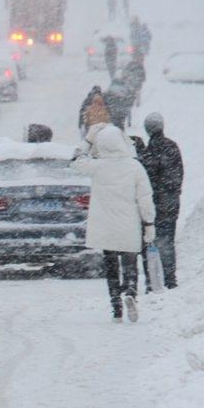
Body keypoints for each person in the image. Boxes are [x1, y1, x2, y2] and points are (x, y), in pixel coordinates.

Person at [72, 125, 156, 322]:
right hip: (129, 226)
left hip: (106, 227)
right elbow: (145, 198)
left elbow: (75, 160)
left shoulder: (97, 166)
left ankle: (116, 307)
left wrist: (88, 141)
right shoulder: (135, 167)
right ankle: (130, 291)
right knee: (130, 262)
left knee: (110, 266)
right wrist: (149, 223)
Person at [136, 113, 183, 289]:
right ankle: (170, 279)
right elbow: (176, 177)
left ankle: (152, 281)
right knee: (167, 241)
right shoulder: (172, 147)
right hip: (170, 205)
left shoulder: (148, 152)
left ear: (147, 130)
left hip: (154, 205)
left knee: (149, 242)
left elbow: (146, 179)